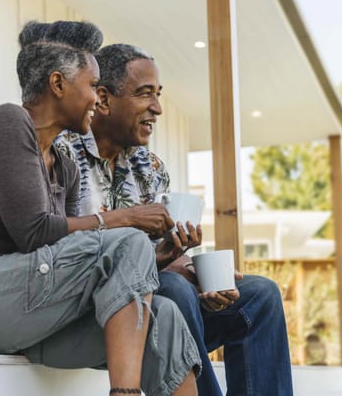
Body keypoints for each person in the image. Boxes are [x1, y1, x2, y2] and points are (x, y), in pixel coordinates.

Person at [0, 21, 200, 396]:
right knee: (127, 239)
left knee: (163, 317)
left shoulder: (65, 167)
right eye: (92, 86)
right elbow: (33, 232)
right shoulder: (8, 121)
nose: (97, 100)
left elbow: (57, 256)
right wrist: (127, 218)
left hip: (25, 314)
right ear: (58, 84)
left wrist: (158, 258)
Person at [55, 43, 294, 396]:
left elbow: (166, 254)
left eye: (159, 94)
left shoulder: (149, 168)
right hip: (96, 314)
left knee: (261, 295)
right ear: (103, 99)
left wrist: (198, 275)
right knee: (173, 289)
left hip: (162, 303)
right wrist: (171, 273)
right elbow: (64, 254)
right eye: (145, 94)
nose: (158, 108)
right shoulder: (63, 155)